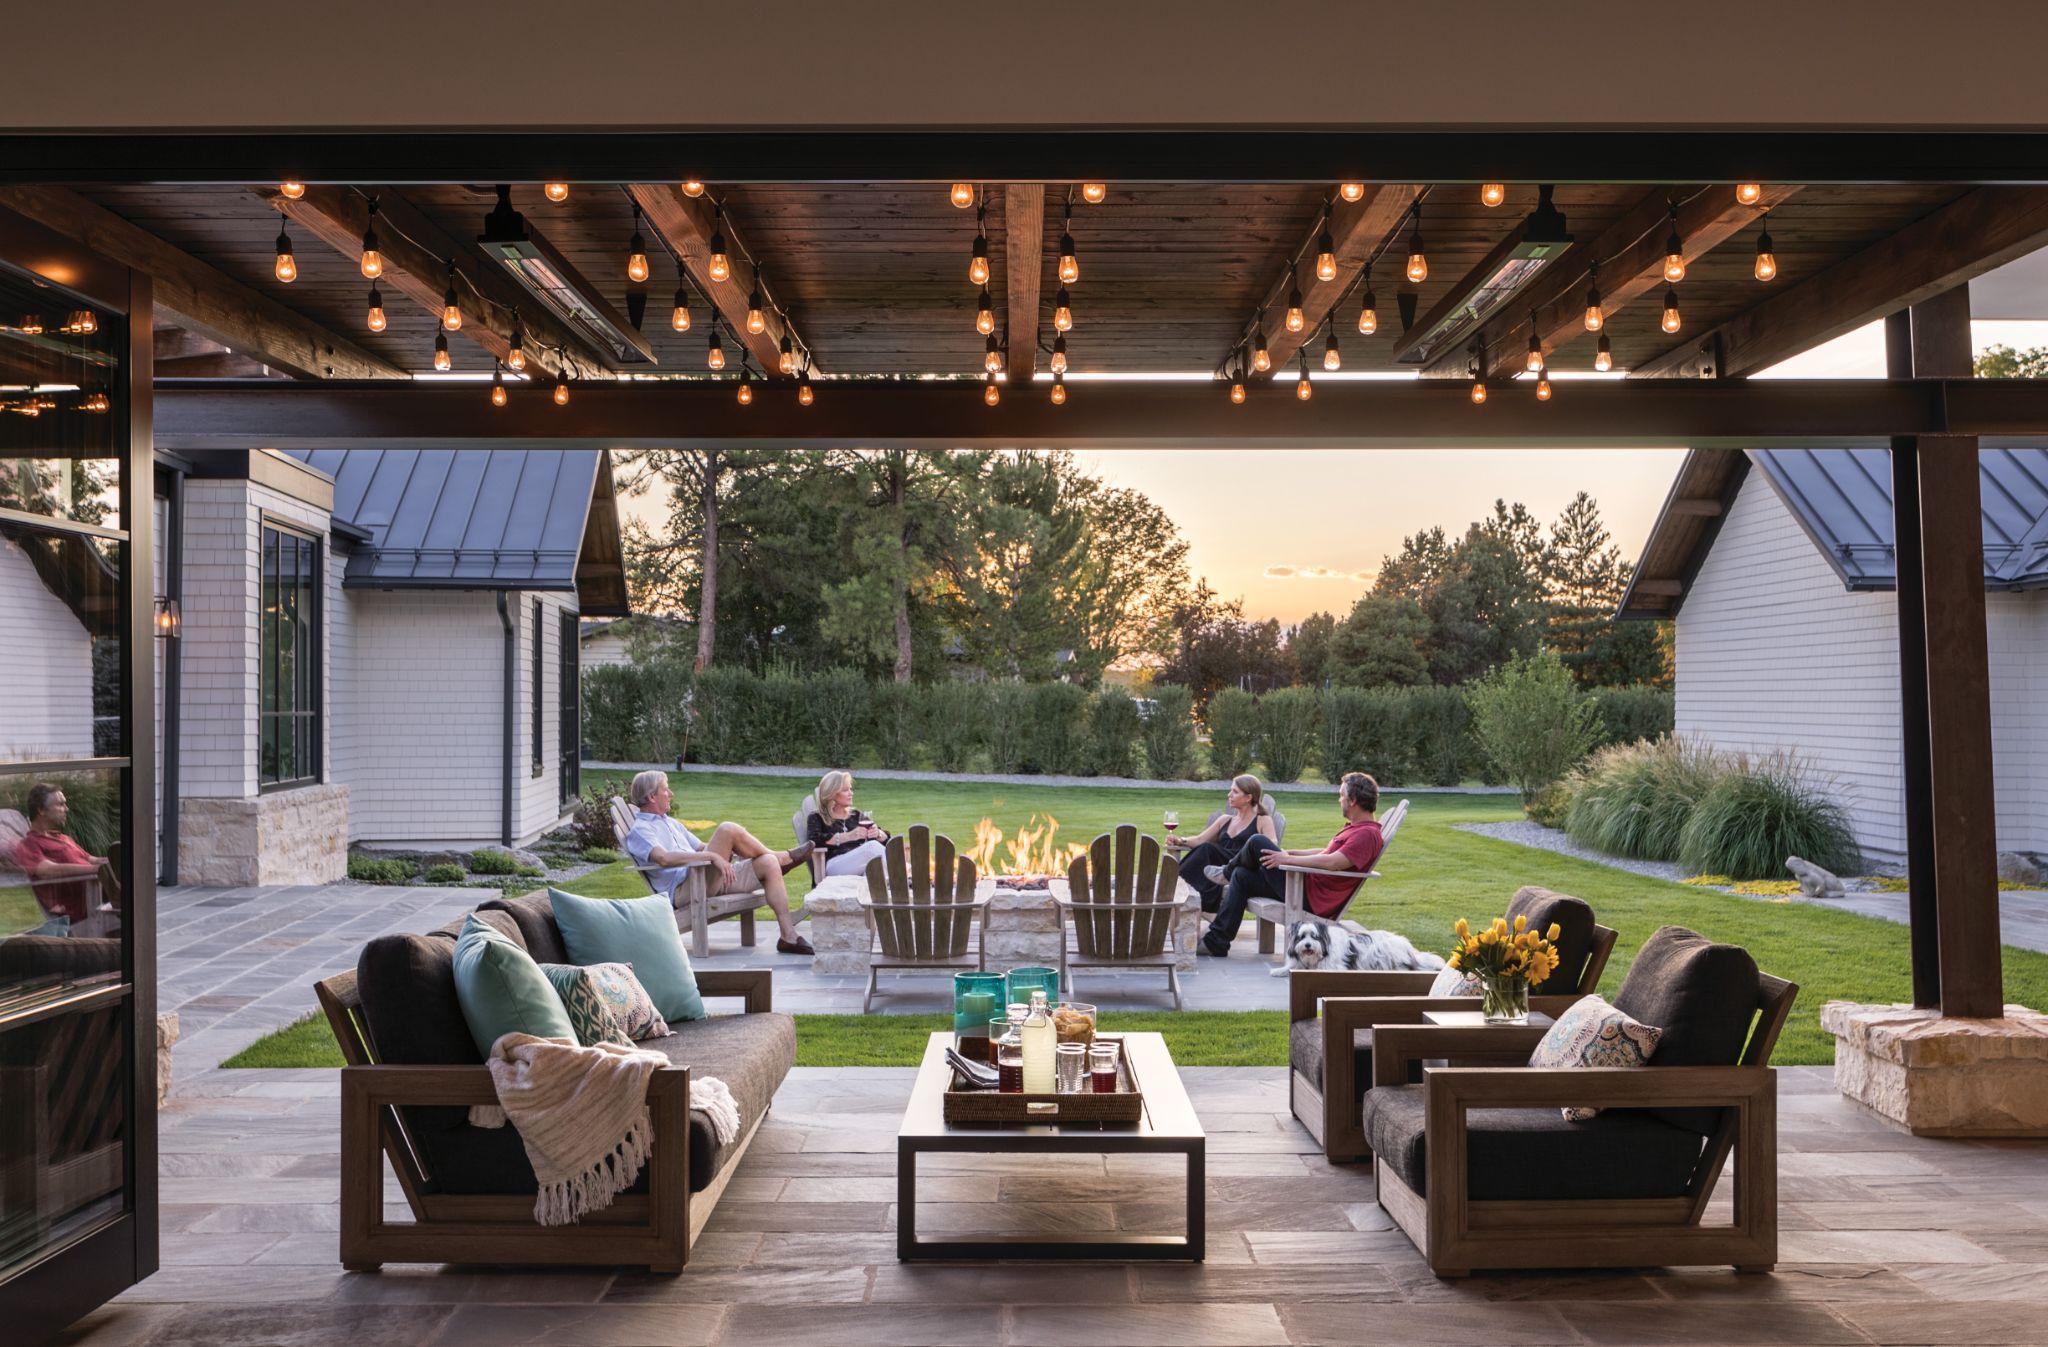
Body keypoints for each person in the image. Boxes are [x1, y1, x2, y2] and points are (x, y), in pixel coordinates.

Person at [622, 770, 817, 955]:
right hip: (686, 888)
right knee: (727, 829)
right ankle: (783, 857)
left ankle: (788, 936)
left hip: (708, 877)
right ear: (651, 797)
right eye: (665, 789)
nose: (670, 794)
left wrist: (733, 849)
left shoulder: (670, 823)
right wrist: (714, 856)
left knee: (767, 863)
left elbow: (701, 847)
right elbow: (663, 858)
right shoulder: (641, 830)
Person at [1199, 771, 1385, 957]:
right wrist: (1290, 853)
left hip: (1309, 897)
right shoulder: (1356, 829)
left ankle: (1225, 873)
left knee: (1257, 841)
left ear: (1352, 800)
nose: (1339, 800)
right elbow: (1325, 853)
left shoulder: (1366, 834)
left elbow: (1333, 862)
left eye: (1341, 796)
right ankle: (1217, 942)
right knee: (1242, 875)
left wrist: (1287, 859)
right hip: (1303, 887)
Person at [1166, 774, 1277, 913]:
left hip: (1240, 868)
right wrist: (1180, 840)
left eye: (1235, 792)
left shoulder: (1262, 820)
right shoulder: (1225, 820)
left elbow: (1272, 846)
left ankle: (1170, 882)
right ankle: (1176, 884)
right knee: (1206, 848)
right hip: (1216, 869)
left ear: (1248, 798)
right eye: (1231, 790)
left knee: (1207, 848)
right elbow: (1200, 839)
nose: (1229, 794)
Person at [14, 783, 112, 929]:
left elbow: (92, 859)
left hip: (104, 894)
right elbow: (47, 870)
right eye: (60, 804)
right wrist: (98, 870)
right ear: (41, 810)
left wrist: (114, 862)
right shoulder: (29, 844)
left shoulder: (63, 838)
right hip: (86, 906)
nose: (66, 809)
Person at [805, 770, 891, 878]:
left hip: (859, 865)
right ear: (832, 794)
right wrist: (849, 836)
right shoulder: (817, 817)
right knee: (871, 847)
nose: (851, 793)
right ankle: (906, 873)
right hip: (835, 866)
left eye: (850, 789)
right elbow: (814, 841)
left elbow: (886, 838)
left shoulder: (856, 815)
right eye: (846, 790)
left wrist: (878, 833)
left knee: (876, 870)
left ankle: (899, 883)